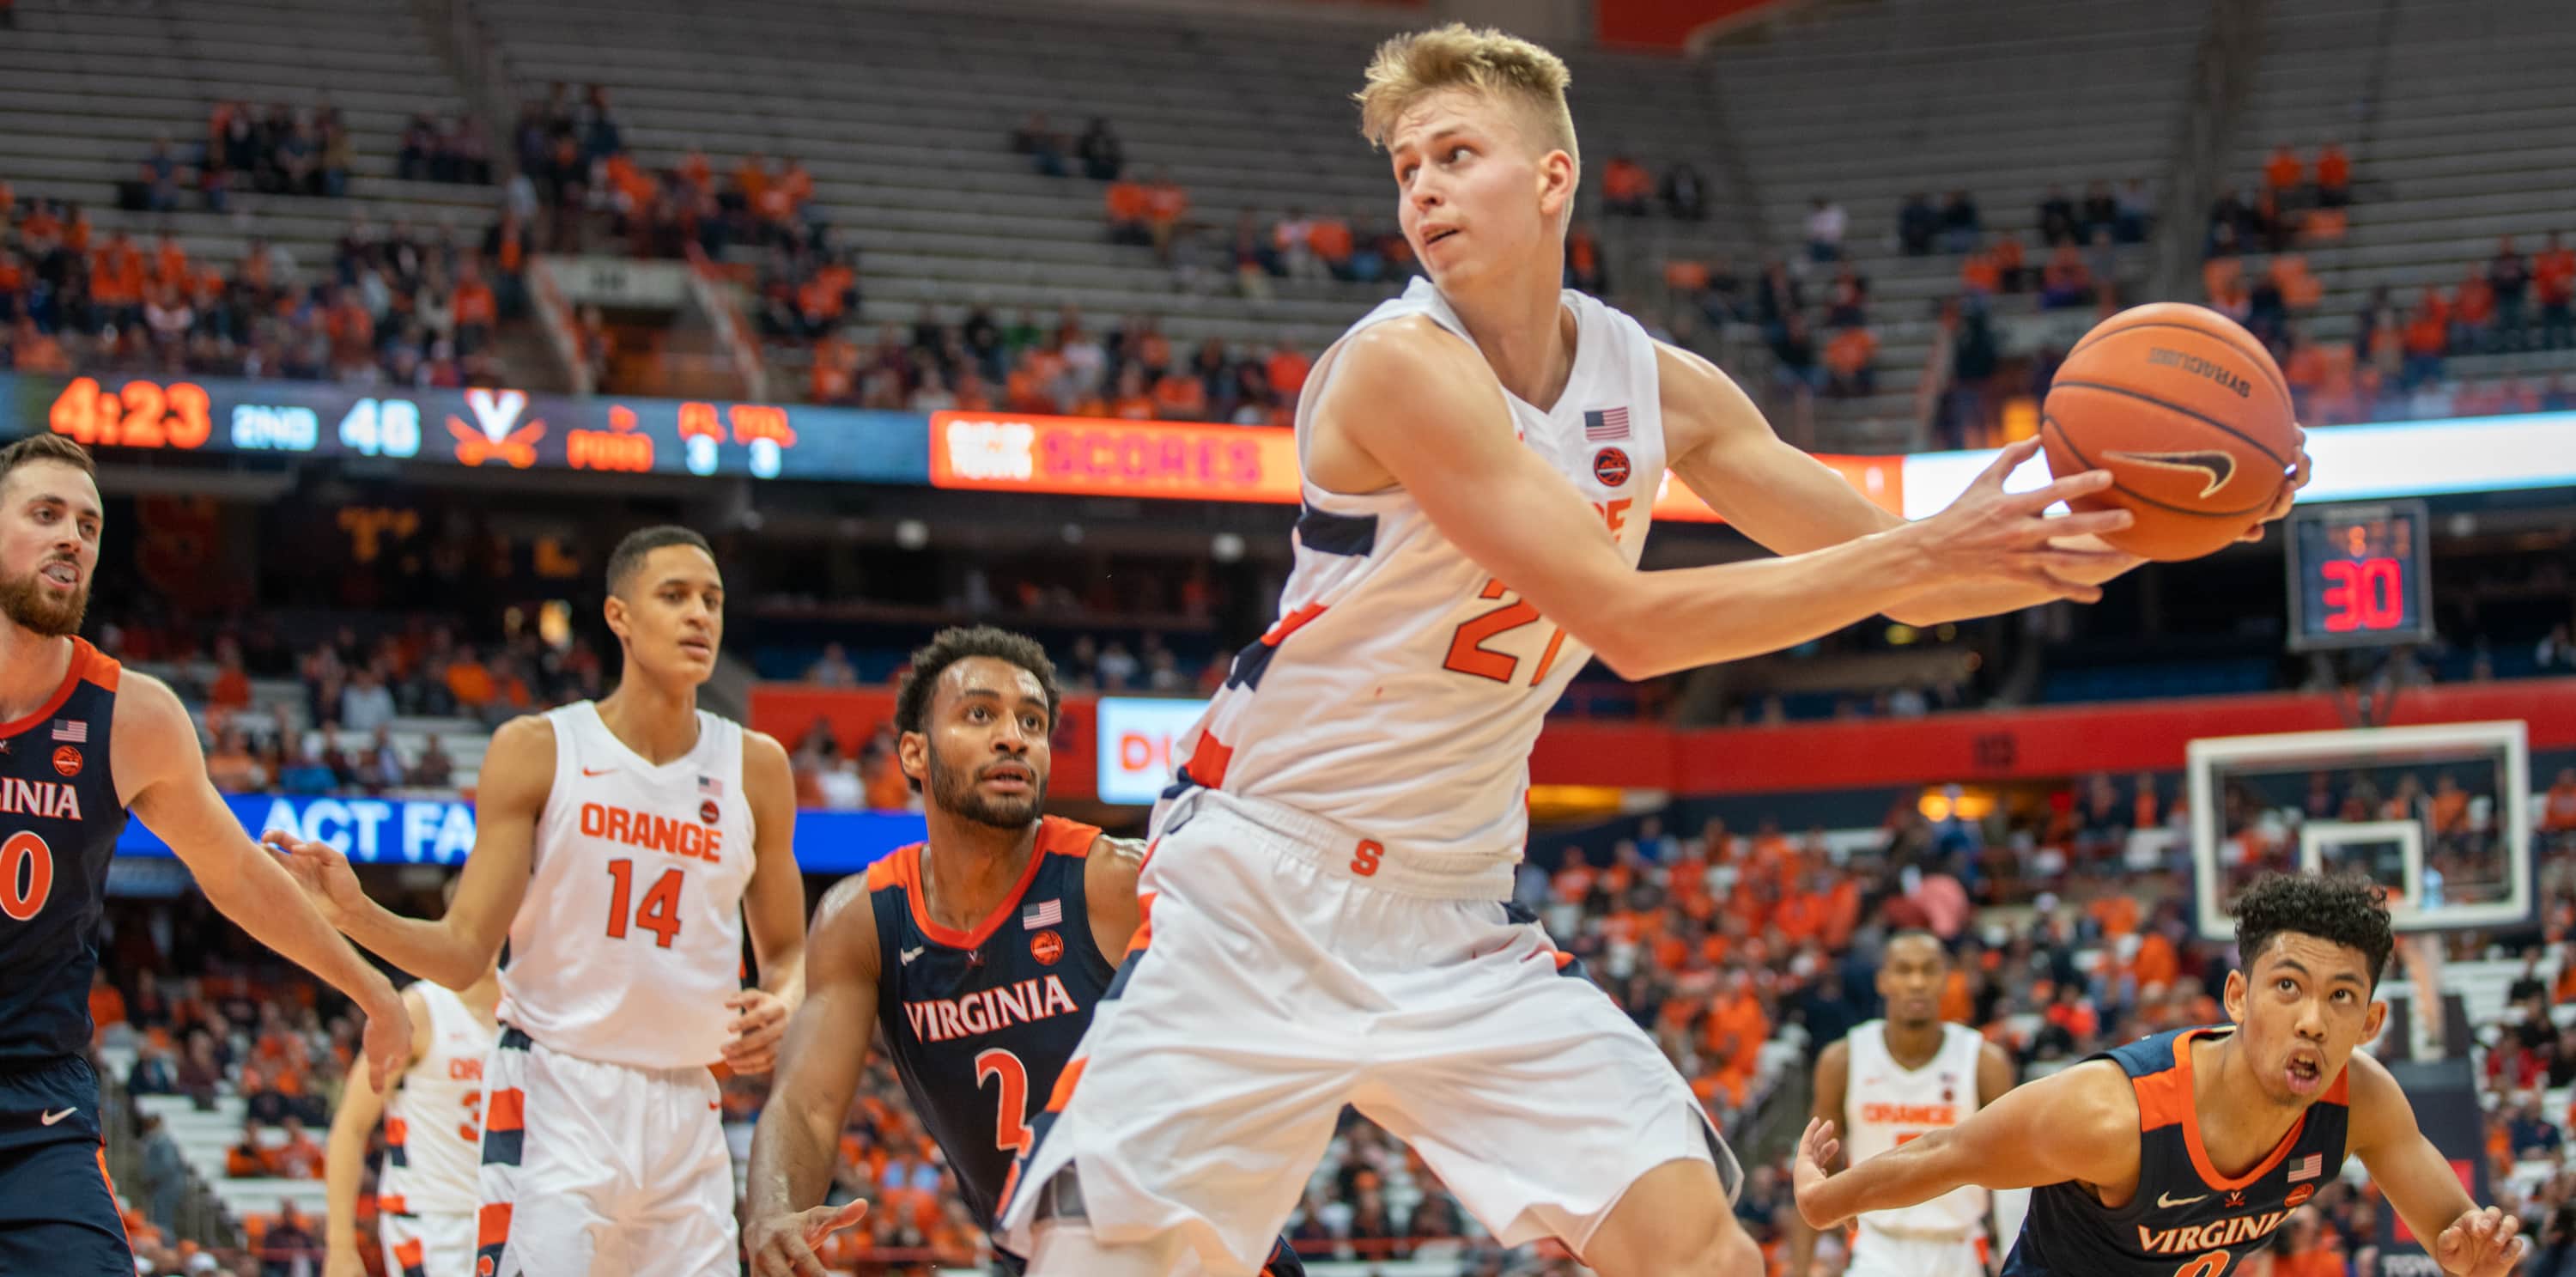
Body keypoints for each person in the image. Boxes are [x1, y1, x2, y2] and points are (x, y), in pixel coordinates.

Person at [996, 24, 2304, 1277]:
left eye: (1456, 155)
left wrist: (2159, 521)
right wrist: (1922, 555)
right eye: (1406, 170)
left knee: (1699, 1245)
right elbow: (1630, 622)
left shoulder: (1654, 384)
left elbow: (1917, 567)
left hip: (1453, 911)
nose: (1423, 192)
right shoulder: (1398, 367)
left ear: (1554, 173)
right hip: (1259, 891)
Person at [274, 526, 808, 1277]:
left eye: (713, 600)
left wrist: (784, 999)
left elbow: (787, 953)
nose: (700, 616)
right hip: (558, 1090)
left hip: (689, 1098)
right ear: (619, 615)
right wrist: (357, 913)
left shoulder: (756, 768)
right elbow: (465, 948)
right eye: (675, 596)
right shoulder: (539, 749)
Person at [741, 628, 1305, 1276]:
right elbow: (806, 1105)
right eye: (980, 713)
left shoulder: (1112, 881)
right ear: (914, 753)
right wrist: (773, 1210)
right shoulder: (862, 919)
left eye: (1031, 721)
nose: (1013, 734)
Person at [0, 435, 410, 1277]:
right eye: (45, 514)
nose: (71, 536)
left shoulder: (131, 714)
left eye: (88, 523)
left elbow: (236, 874)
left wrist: (371, 989)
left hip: (35, 1103)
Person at [1792, 874, 2527, 1277]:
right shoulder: (2115, 1115)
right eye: (2288, 987)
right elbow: (1946, 1153)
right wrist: (1825, 1203)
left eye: (2342, 997)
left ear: (2369, 1023)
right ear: (2237, 997)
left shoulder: (2360, 1100)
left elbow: (2455, 1235)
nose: (2313, 1020)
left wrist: (2476, 1262)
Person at [1789, 932, 2021, 1277]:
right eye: (1904, 970)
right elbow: (1815, 1169)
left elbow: (2014, 1173)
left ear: (1945, 980)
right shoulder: (1844, 1059)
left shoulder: (1984, 1062)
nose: (1916, 982)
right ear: (1883, 980)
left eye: (1928, 970)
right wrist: (1800, 1270)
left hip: (1958, 1247)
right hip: (1878, 1247)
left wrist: (2018, 1258)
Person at [322, 882, 501, 1277]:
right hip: (430, 1218)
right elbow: (350, 1127)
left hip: (509, 1214)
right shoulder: (420, 1010)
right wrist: (340, 1247)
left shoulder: (529, 1012)